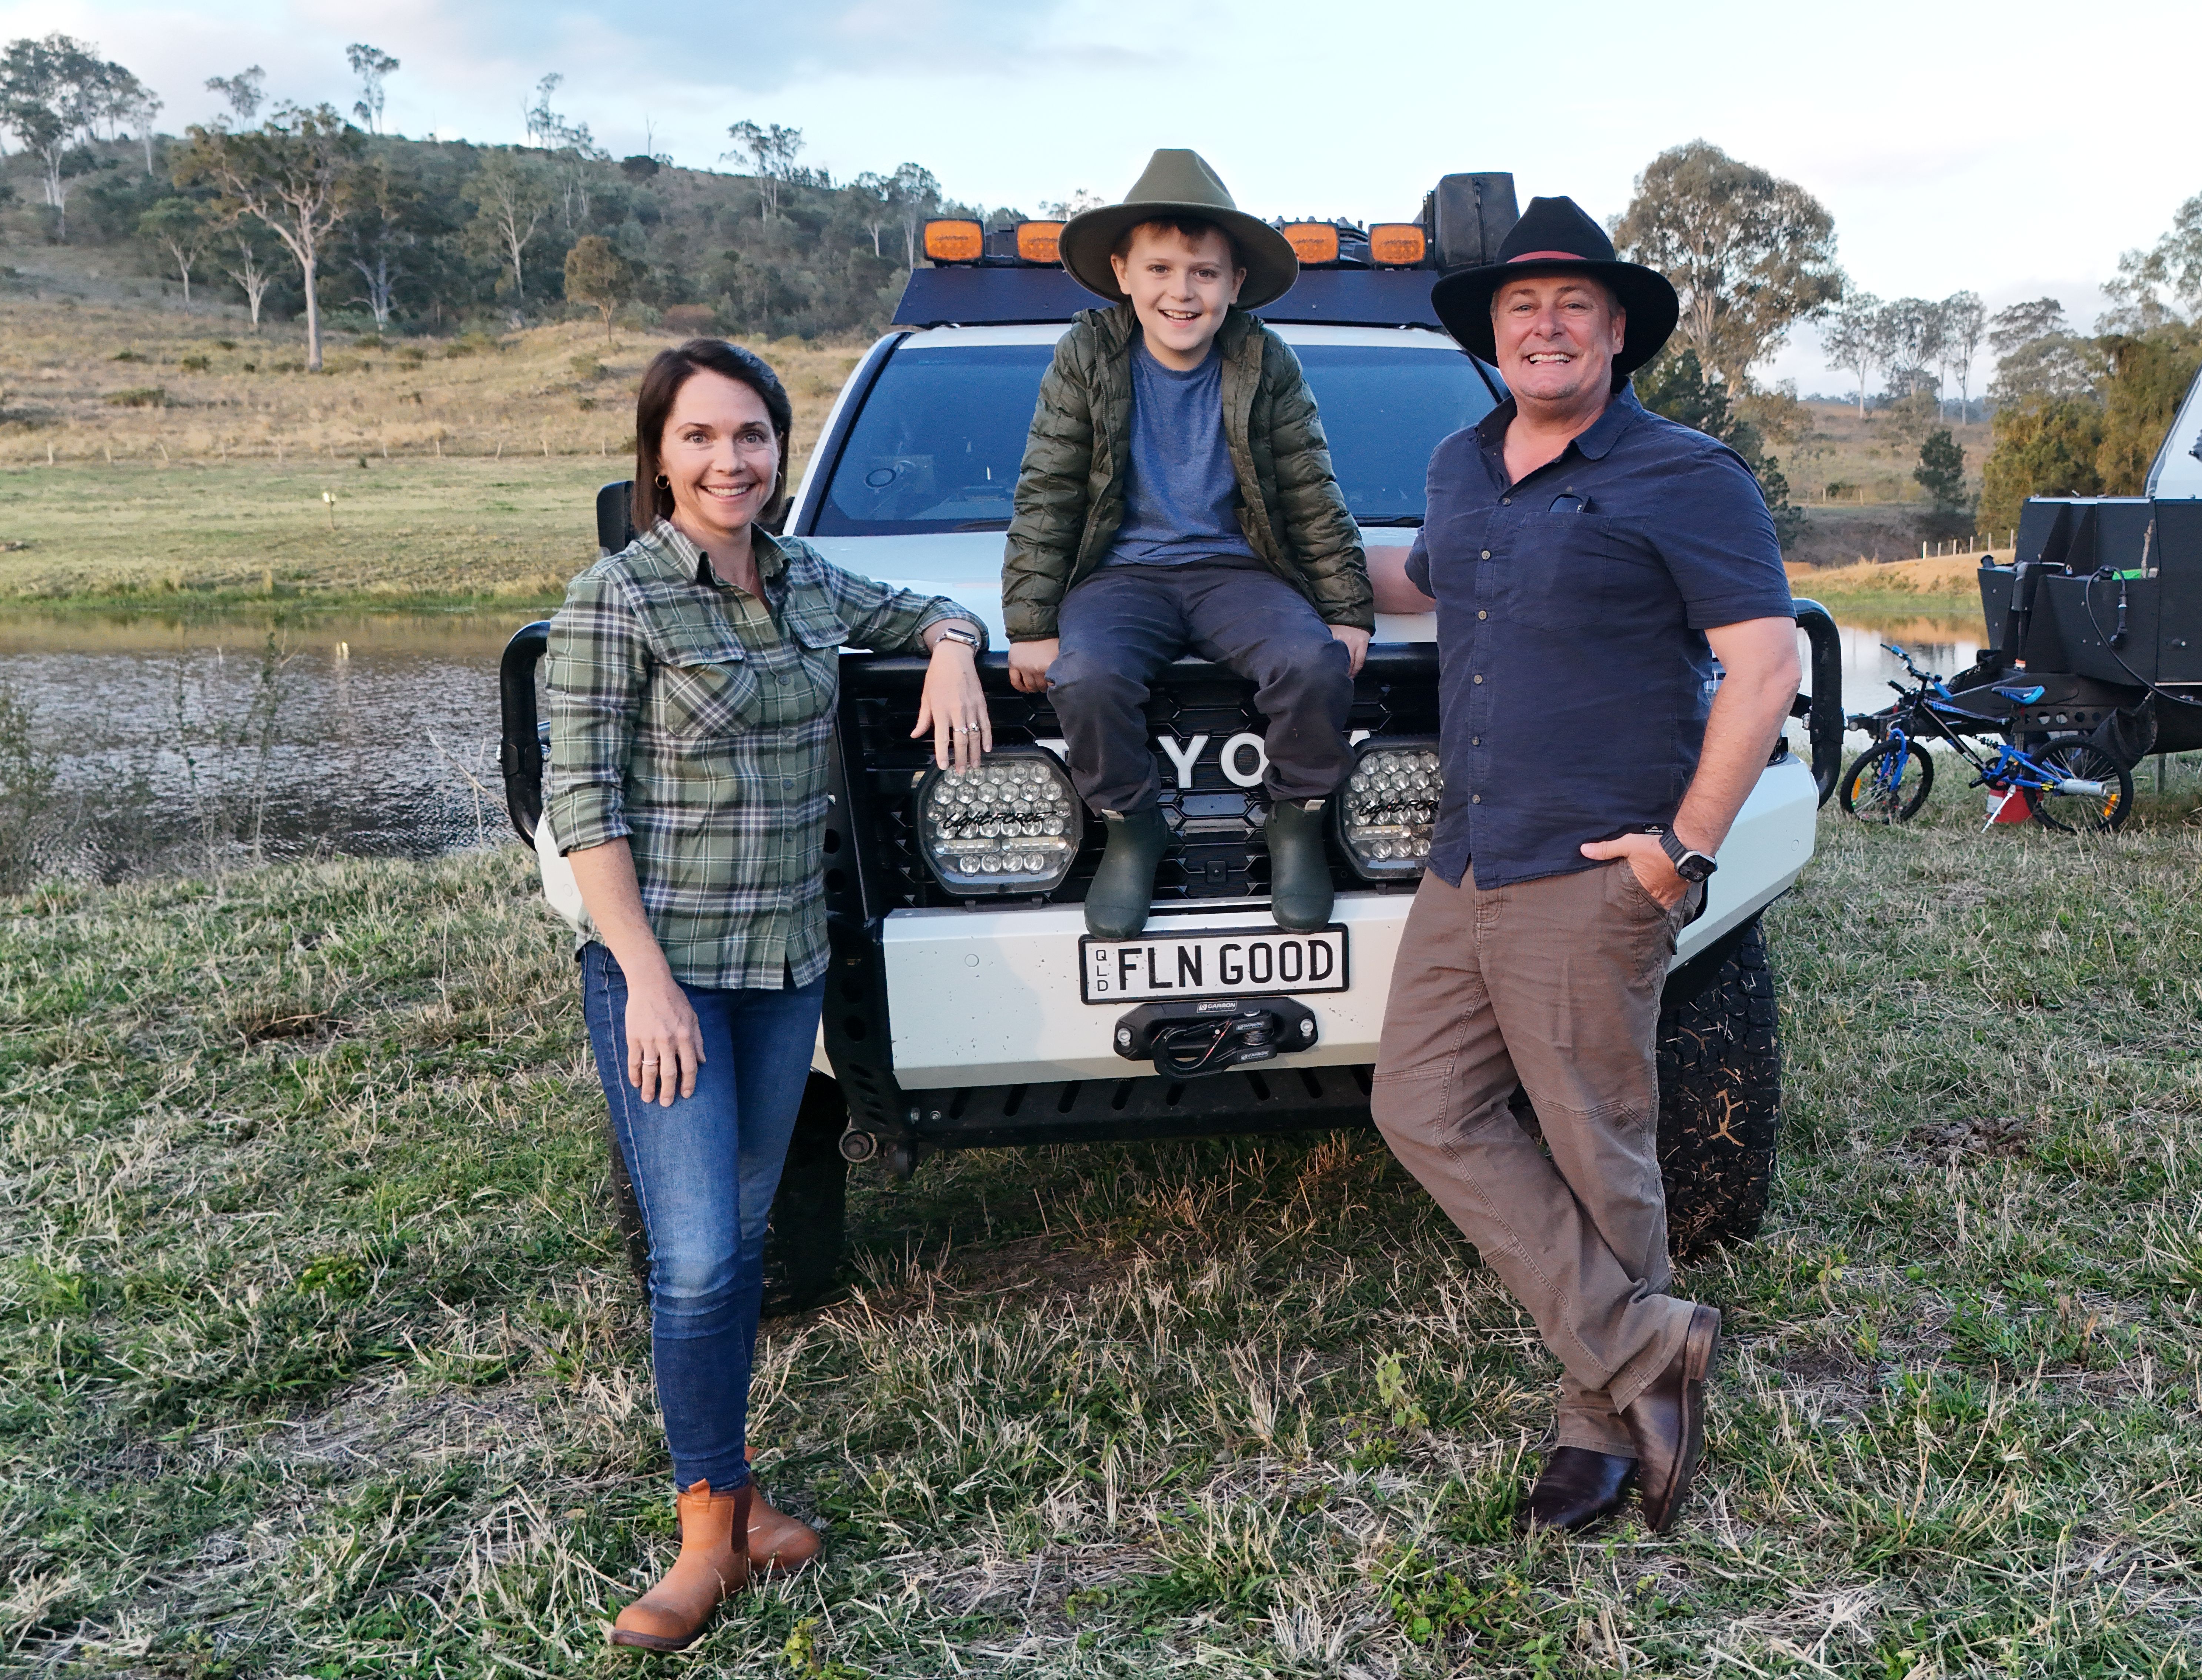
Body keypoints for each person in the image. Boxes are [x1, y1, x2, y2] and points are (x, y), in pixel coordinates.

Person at [542, 340, 991, 1652]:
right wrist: (646, 983)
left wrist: (956, 645)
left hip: (785, 965)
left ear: (780, 449)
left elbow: (916, 608)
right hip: (664, 978)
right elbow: (586, 809)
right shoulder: (613, 601)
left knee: (737, 1237)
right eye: (700, 438)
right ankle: (704, 1537)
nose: (730, 461)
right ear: (657, 454)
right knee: (693, 1260)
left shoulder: (800, 578)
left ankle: (740, 1500)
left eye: (751, 436)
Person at [1370, 197, 1807, 1536]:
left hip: (1596, 864)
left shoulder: (1687, 475)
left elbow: (1763, 660)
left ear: (1616, 332)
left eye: (1572, 306)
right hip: (1467, 855)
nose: (1544, 327)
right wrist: (1270, 554)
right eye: (1521, 308)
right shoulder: (1457, 463)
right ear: (1492, 336)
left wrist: (1682, 850)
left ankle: (1593, 1416)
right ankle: (1644, 1346)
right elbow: (1423, 583)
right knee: (1420, 1104)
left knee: (1591, 1139)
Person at [1000, 148, 1374, 940]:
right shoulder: (1087, 356)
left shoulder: (1265, 359)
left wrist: (1348, 612)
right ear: (1123, 274)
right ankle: (1132, 829)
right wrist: (1031, 623)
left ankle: (1296, 820)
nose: (1182, 290)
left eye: (1204, 273)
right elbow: (1050, 490)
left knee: (1313, 662)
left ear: (1235, 284)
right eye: (1161, 268)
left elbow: (1311, 489)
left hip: (1238, 571)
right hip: (1120, 576)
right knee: (1087, 673)